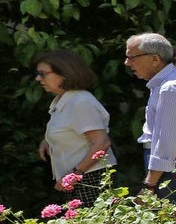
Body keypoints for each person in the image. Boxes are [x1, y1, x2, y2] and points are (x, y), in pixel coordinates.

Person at [124, 33, 176, 202]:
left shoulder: (172, 87)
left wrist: (150, 183)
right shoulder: (168, 83)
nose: (127, 63)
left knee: (173, 214)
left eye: (132, 57)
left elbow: (167, 139)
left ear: (155, 59)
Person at [33, 50, 117, 207]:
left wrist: (75, 174)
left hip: (91, 178)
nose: (38, 78)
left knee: (91, 222)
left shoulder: (80, 102)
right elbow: (68, 129)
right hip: (79, 179)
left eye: (42, 74)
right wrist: (48, 140)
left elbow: (102, 142)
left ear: (64, 73)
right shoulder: (63, 100)